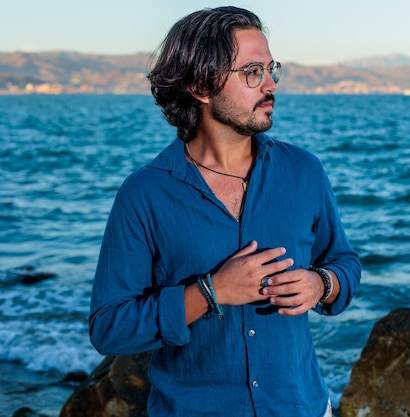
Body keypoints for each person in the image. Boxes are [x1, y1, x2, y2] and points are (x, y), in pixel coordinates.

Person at [88, 6, 361, 417]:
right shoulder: (144, 193)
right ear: (201, 85)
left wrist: (321, 283)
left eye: (272, 69)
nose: (271, 85)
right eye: (253, 72)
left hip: (301, 406)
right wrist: (210, 293)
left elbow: (344, 263)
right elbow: (110, 328)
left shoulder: (304, 171)